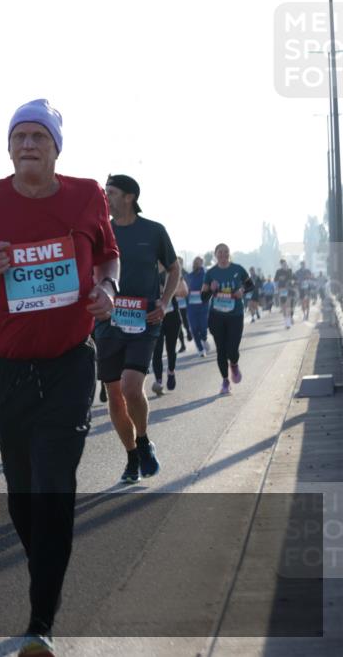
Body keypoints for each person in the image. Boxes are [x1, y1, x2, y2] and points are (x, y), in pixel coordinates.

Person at [0, 100, 119, 656]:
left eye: (39, 135)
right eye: (19, 135)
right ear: (8, 146)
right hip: (4, 368)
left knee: (54, 486)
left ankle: (40, 620)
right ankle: (47, 564)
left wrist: (107, 290)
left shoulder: (86, 195)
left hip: (68, 363)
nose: (28, 144)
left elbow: (108, 258)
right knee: (21, 495)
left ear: (57, 147)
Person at [95, 174, 179, 485]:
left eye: (111, 193)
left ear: (129, 197)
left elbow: (173, 268)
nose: (106, 198)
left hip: (144, 320)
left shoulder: (154, 231)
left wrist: (165, 301)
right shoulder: (100, 232)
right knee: (114, 395)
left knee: (132, 387)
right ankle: (132, 455)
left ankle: (142, 440)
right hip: (108, 321)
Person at [201, 244, 253, 395]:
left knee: (232, 350)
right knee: (221, 351)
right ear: (215, 254)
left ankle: (234, 364)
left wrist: (242, 290)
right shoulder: (210, 273)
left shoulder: (238, 269)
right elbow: (203, 298)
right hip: (216, 316)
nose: (223, 255)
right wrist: (211, 288)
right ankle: (225, 381)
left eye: (226, 252)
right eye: (220, 252)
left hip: (235, 315)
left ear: (229, 254)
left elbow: (251, 285)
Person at [150, 262, 188, 394]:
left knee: (171, 348)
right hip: (155, 316)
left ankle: (171, 371)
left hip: (172, 316)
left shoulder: (172, 270)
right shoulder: (149, 269)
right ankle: (159, 381)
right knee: (157, 350)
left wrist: (168, 291)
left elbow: (184, 291)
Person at [185, 256, 210, 357]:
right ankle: (200, 349)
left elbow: (209, 289)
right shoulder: (189, 276)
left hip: (203, 306)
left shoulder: (206, 275)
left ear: (202, 263)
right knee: (194, 328)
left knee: (203, 328)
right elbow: (185, 290)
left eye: (199, 262)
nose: (197, 263)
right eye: (196, 262)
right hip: (191, 307)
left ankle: (204, 339)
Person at [274, 259, 295, 329]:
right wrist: (276, 289)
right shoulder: (278, 271)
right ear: (281, 265)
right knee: (283, 307)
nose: (284, 265)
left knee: (288, 306)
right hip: (281, 290)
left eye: (285, 264)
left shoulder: (289, 271)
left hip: (288, 290)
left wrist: (292, 283)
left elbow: (292, 279)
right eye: (282, 264)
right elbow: (275, 281)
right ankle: (286, 321)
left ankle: (288, 323)